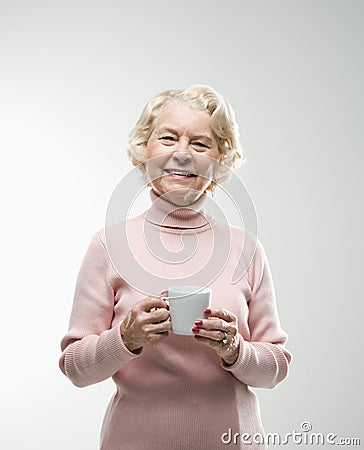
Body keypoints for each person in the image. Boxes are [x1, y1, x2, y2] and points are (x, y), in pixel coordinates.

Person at [59, 85, 291, 450]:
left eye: (200, 144)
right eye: (168, 138)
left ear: (220, 160)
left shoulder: (246, 249)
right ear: (144, 149)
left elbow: (276, 367)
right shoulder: (108, 245)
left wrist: (236, 350)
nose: (182, 154)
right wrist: (126, 339)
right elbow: (75, 368)